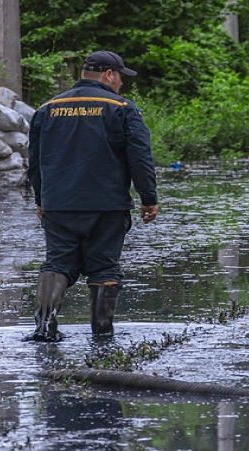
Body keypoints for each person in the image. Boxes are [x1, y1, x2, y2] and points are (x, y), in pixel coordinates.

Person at [25, 50, 159, 342]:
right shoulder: (122, 108)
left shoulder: (47, 109)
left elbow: (34, 162)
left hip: (59, 205)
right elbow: (139, 157)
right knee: (104, 267)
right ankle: (102, 333)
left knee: (57, 263)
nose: (121, 83)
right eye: (120, 76)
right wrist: (148, 198)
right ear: (109, 75)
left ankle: (44, 328)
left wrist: (40, 200)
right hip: (107, 206)